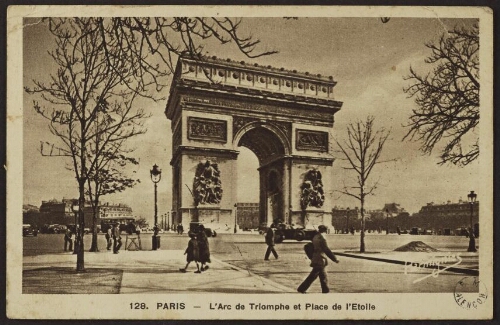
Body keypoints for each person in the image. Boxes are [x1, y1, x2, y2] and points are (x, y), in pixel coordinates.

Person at [297, 225, 339, 294]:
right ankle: (302, 288)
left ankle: (325, 290)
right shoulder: (322, 238)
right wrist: (334, 259)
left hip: (315, 256)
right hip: (320, 258)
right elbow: (326, 250)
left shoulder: (315, 236)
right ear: (325, 230)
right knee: (313, 275)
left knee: (322, 275)